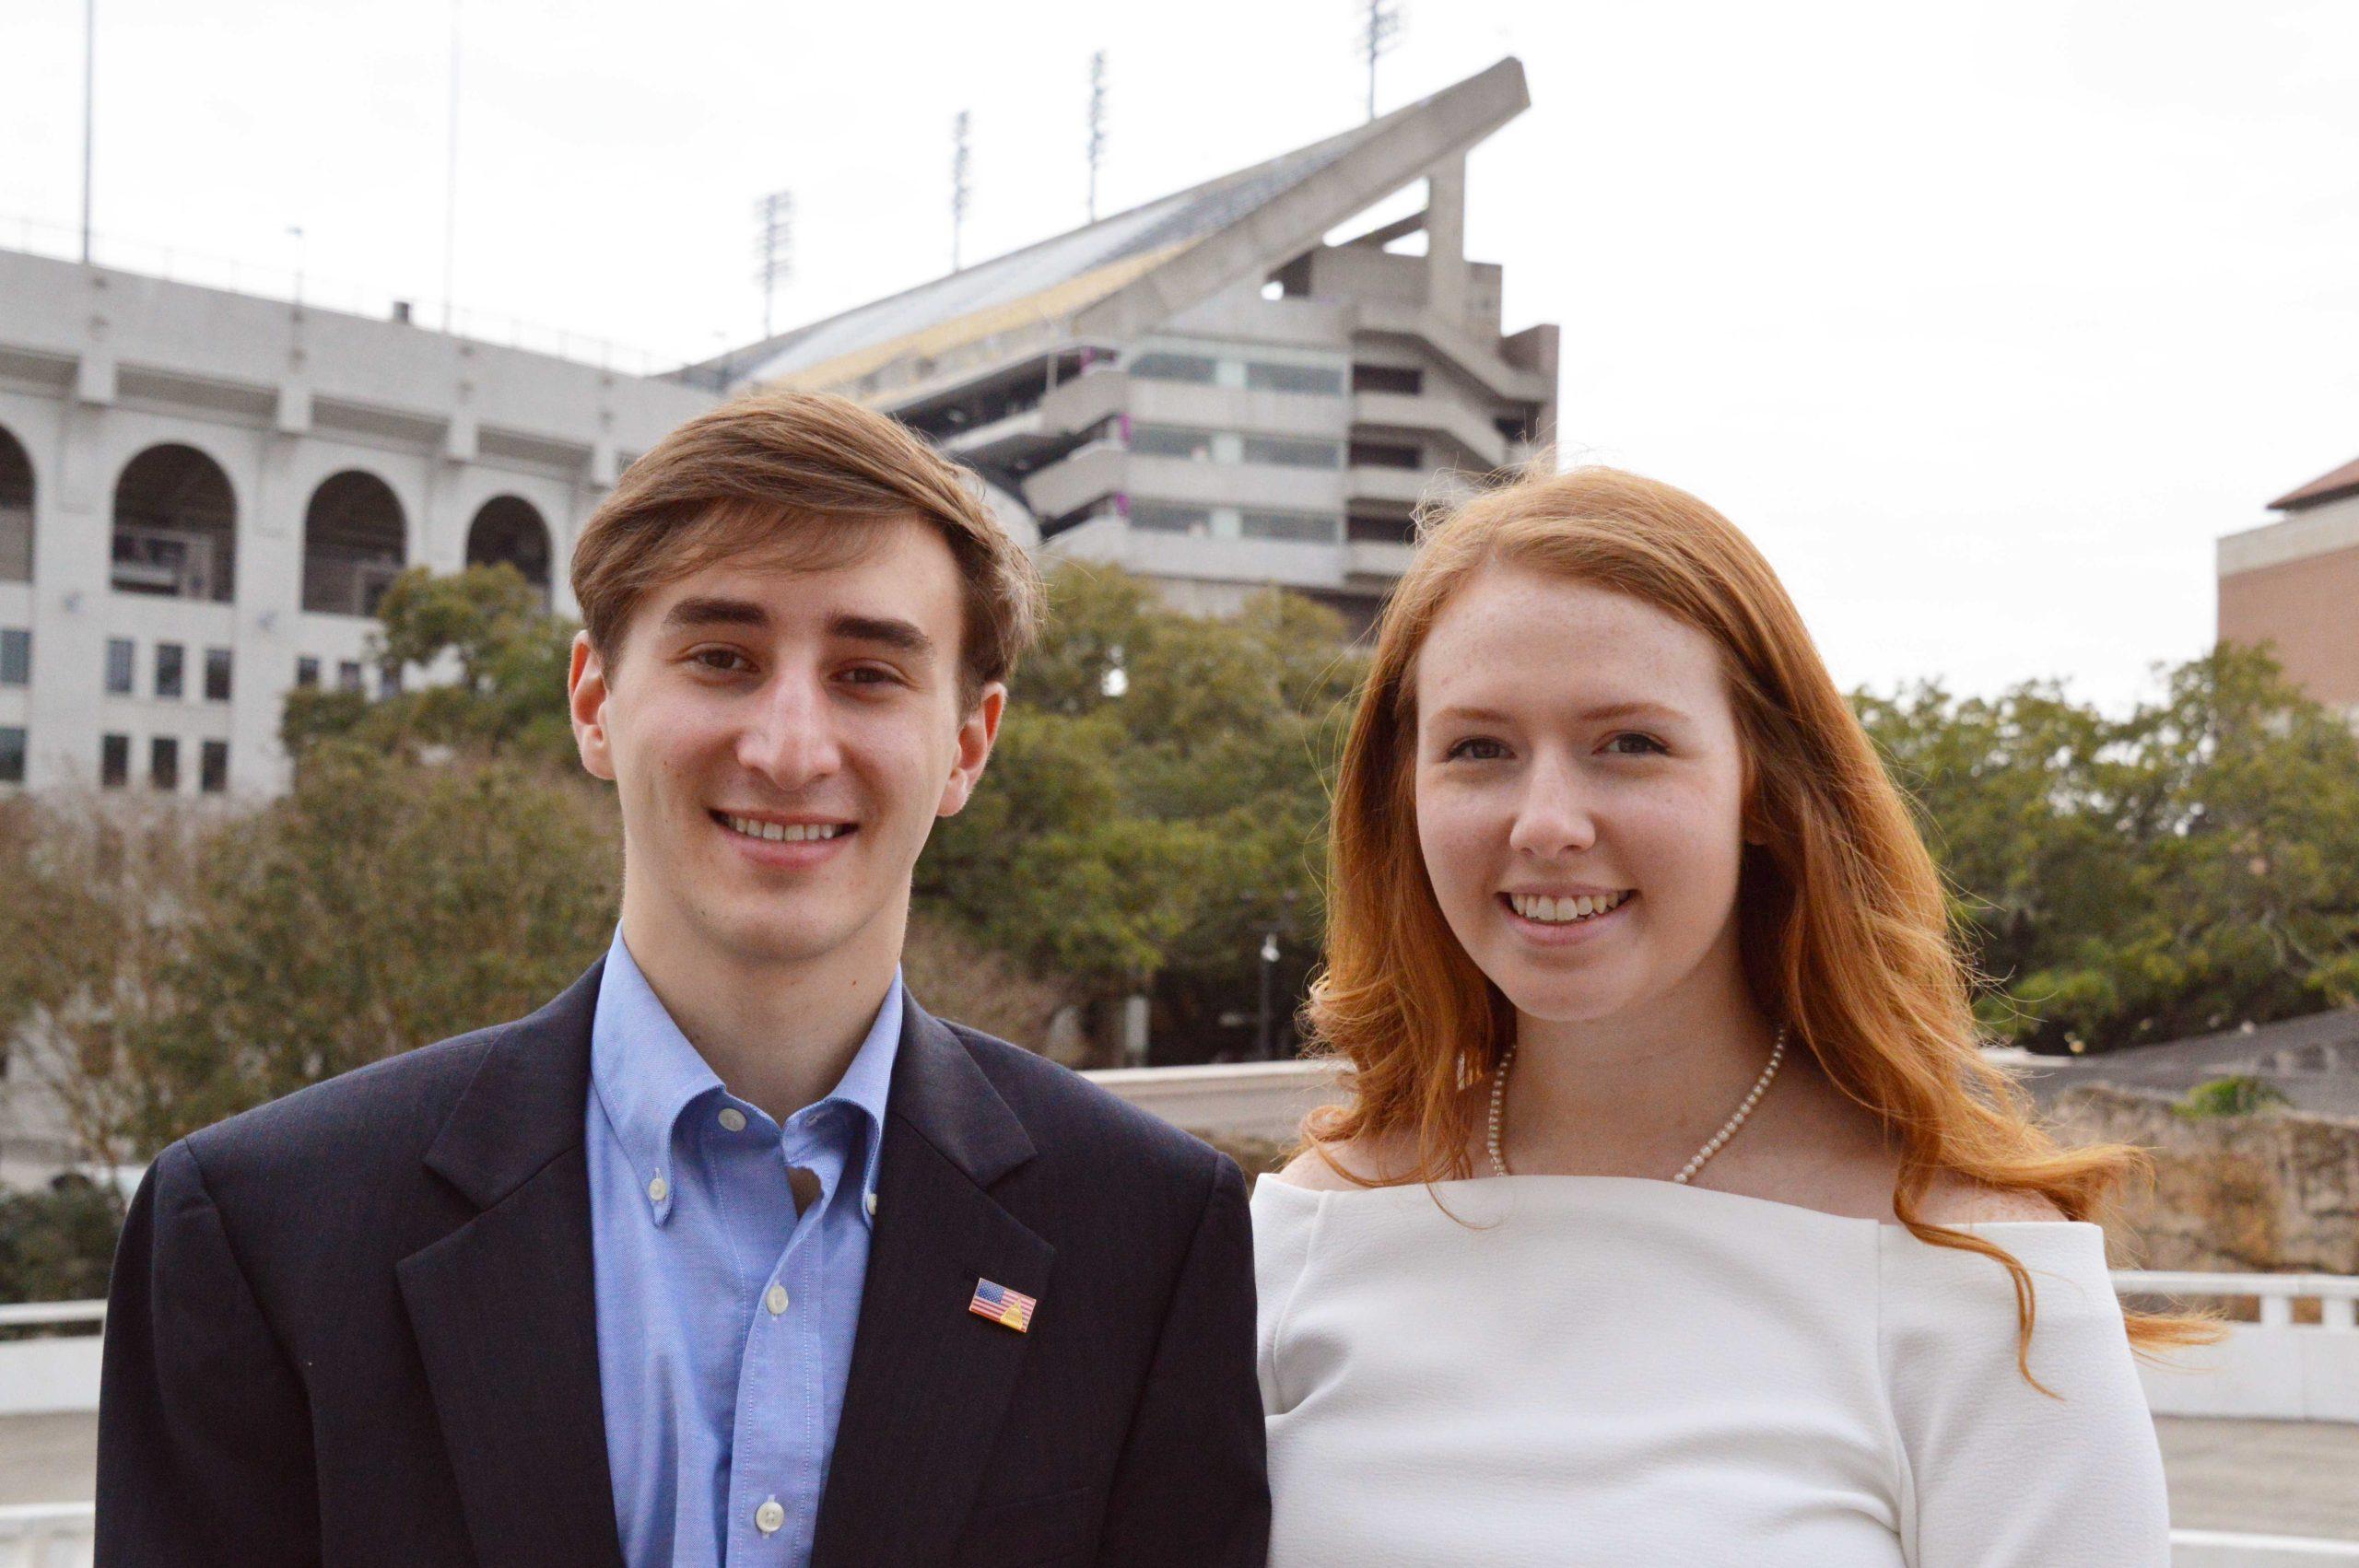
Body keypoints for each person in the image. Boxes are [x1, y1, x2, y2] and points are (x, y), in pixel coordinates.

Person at [97, 391, 1268, 1568]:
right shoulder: (261, 1233)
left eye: (868, 674)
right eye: (722, 658)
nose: (790, 748)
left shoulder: (1151, 1238)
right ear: (595, 703)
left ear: (968, 744)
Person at [1254, 465, 2202, 1566]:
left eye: (1630, 743)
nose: (1546, 820)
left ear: (1762, 785)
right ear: (1403, 793)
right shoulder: (1311, 1230)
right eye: (1478, 749)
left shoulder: (1985, 1283)